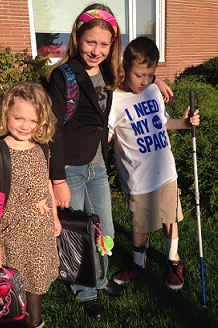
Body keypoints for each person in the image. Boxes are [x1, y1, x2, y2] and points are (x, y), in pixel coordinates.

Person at [46, 3, 173, 321]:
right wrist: (57, 179)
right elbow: (54, 131)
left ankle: (100, 280)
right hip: (70, 169)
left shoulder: (109, 72)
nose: (96, 50)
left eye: (104, 44)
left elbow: (136, 79)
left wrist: (156, 82)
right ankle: (86, 293)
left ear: (111, 45)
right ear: (78, 37)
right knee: (78, 231)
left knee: (105, 229)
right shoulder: (63, 76)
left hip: (97, 165)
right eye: (91, 42)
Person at [108, 36, 200, 291]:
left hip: (165, 172)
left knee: (171, 218)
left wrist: (183, 124)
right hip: (137, 177)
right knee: (139, 224)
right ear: (125, 66)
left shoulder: (152, 91)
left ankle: (173, 260)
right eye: (139, 75)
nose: (145, 81)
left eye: (150, 75)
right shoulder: (114, 101)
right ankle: (139, 263)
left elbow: (163, 121)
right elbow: (105, 135)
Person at [0, 81, 61, 328]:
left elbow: (46, 184)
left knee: (37, 284)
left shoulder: (42, 148)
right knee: (11, 290)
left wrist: (55, 216)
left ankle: (35, 321)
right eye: (18, 118)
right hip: (13, 238)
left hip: (41, 236)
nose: (26, 126)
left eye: (33, 121)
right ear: (6, 114)